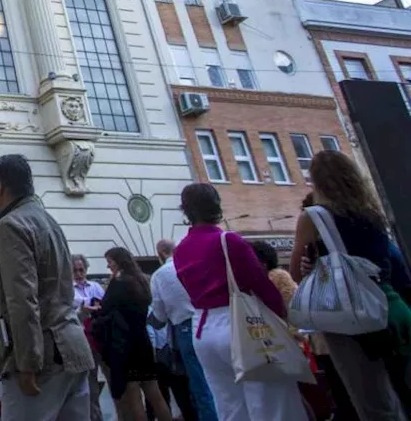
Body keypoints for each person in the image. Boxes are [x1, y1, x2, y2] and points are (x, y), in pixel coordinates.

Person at [289, 150, 411, 419]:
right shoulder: (371, 212)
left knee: (374, 402)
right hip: (392, 305)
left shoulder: (313, 216)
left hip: (352, 316)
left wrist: (310, 267)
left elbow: (295, 273)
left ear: (317, 182)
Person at [172, 183, 307, 420]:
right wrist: (282, 317)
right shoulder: (228, 241)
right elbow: (260, 284)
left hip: (203, 330)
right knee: (271, 404)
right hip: (241, 324)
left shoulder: (180, 249)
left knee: (230, 407)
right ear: (216, 205)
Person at [0, 154, 95, 420]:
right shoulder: (48, 221)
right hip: (73, 348)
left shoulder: (11, 225)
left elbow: (22, 300)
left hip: (43, 357)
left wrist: (27, 362)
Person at [92, 248, 171, 421]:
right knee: (154, 392)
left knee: (134, 396)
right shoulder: (142, 281)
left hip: (125, 345)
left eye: (110, 262)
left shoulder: (119, 283)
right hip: (143, 340)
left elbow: (105, 308)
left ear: (118, 262)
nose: (108, 266)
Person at [149, 238, 215, 421]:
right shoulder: (193, 265)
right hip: (209, 321)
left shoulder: (159, 275)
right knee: (217, 379)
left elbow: (160, 315)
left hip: (185, 328)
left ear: (161, 254)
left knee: (200, 385)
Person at [70, 253, 106, 420]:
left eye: (81, 270)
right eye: (75, 270)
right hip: (83, 340)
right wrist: (89, 304)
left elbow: (102, 304)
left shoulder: (95, 286)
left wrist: (88, 304)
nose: (79, 274)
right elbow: (77, 304)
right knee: (90, 382)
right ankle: (95, 416)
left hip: (100, 338)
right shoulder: (69, 289)